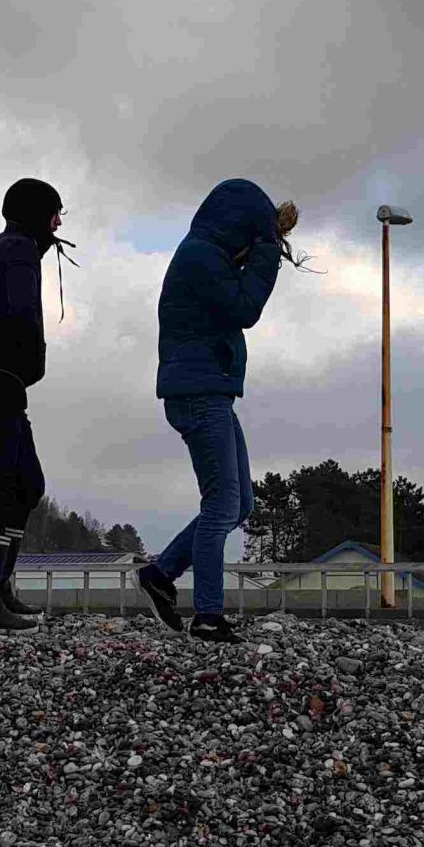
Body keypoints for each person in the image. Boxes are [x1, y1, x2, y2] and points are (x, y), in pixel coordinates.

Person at [136, 179, 296, 643]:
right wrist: (266, 253)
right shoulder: (200, 258)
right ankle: (208, 615)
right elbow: (245, 309)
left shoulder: (206, 254)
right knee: (221, 504)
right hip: (199, 393)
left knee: (241, 503)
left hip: (210, 390)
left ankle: (160, 575)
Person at [0, 177, 71, 635]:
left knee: (27, 483)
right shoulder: (19, 249)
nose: (59, 223)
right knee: (2, 484)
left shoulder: (14, 246)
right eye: (55, 213)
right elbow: (23, 315)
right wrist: (34, 361)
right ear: (38, 214)